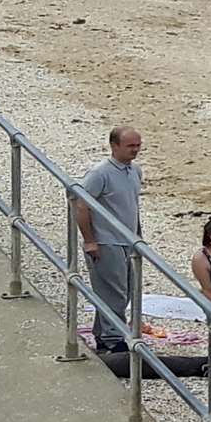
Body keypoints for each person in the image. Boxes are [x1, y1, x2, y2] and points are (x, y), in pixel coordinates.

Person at [76, 127, 145, 354]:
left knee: (124, 290)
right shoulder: (100, 173)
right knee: (113, 292)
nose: (135, 150)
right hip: (107, 241)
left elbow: (132, 206)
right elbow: (81, 203)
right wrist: (90, 240)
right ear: (114, 146)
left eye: (137, 145)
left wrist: (138, 237)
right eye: (130, 146)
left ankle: (104, 333)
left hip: (128, 241)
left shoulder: (135, 171)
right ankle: (113, 339)